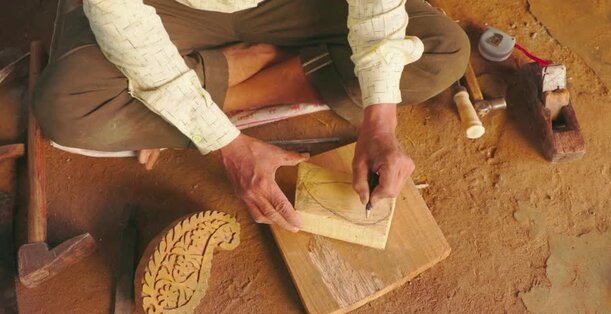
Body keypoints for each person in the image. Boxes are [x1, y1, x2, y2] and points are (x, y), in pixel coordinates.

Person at [33, 0, 469, 232]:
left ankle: (226, 80)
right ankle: (253, 69)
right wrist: (228, 145)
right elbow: (120, 15)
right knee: (66, 108)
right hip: (168, 10)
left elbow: (376, 7)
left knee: (442, 50)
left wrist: (380, 121)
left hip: (295, 7)